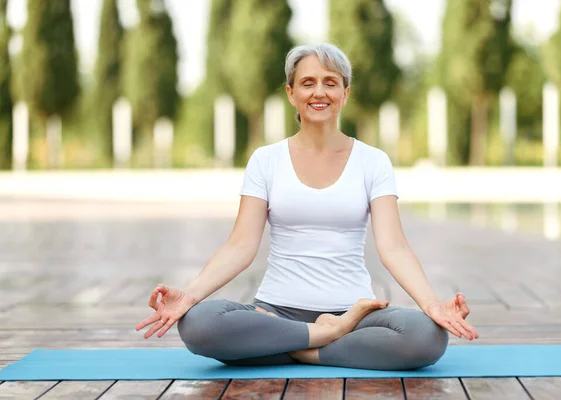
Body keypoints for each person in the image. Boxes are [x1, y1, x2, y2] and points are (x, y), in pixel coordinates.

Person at [136, 43, 479, 371]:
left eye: (331, 83)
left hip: (355, 315)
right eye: (308, 83)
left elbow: (393, 246)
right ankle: (326, 338)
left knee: (427, 337)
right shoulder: (265, 160)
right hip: (275, 311)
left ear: (345, 93)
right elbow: (241, 245)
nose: (319, 92)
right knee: (197, 324)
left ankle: (298, 349)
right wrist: (189, 295)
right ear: (291, 93)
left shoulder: (373, 162)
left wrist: (432, 304)